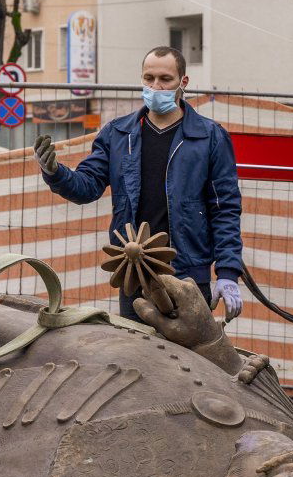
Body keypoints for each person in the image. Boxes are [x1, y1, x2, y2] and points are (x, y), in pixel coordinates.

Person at [32, 46, 244, 322]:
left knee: (188, 362)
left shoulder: (209, 136)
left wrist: (227, 273)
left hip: (188, 273)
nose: (156, 86)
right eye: (149, 78)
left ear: (183, 82)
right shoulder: (118, 134)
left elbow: (225, 208)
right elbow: (88, 186)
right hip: (134, 269)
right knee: (137, 358)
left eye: (165, 79)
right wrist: (55, 172)